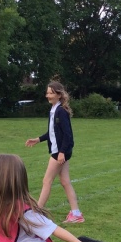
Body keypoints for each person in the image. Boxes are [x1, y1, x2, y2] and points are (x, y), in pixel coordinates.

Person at [25, 81, 84, 223]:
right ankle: (76, 214)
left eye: (51, 93)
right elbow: (52, 132)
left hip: (59, 152)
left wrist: (62, 152)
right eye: (47, 93)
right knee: (65, 181)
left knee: (47, 181)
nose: (48, 95)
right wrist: (38, 139)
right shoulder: (54, 110)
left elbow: (68, 135)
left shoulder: (61, 111)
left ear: (59, 95)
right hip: (61, 151)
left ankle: (37, 213)